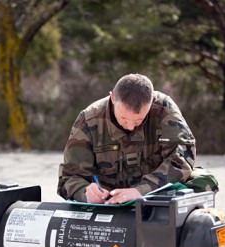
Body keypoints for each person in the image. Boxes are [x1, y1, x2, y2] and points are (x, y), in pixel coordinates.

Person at [57, 73, 198, 204]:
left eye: (138, 120)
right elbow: (69, 176)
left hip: (155, 193)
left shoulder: (164, 110)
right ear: (112, 98)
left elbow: (182, 160)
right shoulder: (89, 120)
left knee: (203, 181)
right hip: (110, 200)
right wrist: (84, 192)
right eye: (124, 118)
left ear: (151, 103)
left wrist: (141, 191)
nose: (131, 126)